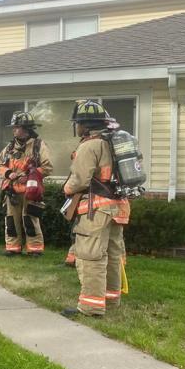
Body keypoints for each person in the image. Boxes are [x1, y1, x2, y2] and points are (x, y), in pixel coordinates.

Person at [62, 100, 128, 317]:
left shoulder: (90, 145)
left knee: (91, 256)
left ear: (85, 125)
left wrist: (66, 188)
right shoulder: (112, 141)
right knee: (112, 254)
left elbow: (79, 180)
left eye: (77, 123)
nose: (76, 128)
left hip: (96, 210)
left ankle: (91, 306)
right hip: (117, 208)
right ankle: (111, 300)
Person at [0, 112, 53, 257]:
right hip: (12, 191)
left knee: (30, 219)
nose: (14, 130)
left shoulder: (38, 145)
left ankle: (35, 249)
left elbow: (47, 167)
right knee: (11, 220)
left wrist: (28, 177)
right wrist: (9, 174)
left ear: (26, 129)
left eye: (16, 127)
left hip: (30, 191)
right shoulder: (10, 147)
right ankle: (13, 248)